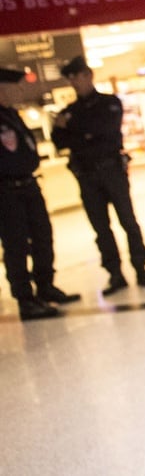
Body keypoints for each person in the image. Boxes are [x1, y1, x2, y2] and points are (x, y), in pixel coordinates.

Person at [52, 56, 145, 296]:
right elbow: (59, 141)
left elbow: (106, 131)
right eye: (71, 79)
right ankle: (115, 274)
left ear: (88, 76)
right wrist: (82, 134)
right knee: (101, 228)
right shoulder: (69, 111)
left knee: (128, 221)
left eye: (77, 77)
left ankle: (140, 268)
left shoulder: (109, 103)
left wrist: (75, 130)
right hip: (86, 175)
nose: (74, 83)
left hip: (112, 171)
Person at [0, 68, 79, 321]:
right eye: (17, 87)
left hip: (29, 186)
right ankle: (25, 298)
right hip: (7, 192)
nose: (21, 92)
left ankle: (45, 286)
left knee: (43, 236)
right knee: (16, 246)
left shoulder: (12, 114)